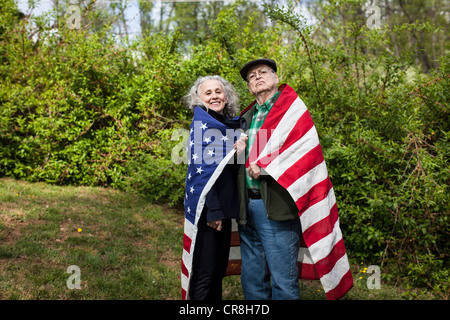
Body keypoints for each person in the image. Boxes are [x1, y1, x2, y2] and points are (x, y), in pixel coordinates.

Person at [237, 58, 353, 300]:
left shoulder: (293, 111)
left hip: (277, 206)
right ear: (249, 87)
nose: (257, 77)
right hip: (247, 206)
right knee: (252, 275)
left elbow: (303, 155)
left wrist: (266, 168)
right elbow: (236, 160)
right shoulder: (245, 117)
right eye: (252, 76)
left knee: (282, 278)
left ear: (276, 78)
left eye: (263, 72)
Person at [181, 75, 247, 300]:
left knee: (218, 270)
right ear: (199, 100)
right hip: (210, 211)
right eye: (207, 93)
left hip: (224, 211)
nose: (214, 96)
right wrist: (213, 212)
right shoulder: (203, 125)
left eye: (218, 91)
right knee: (205, 273)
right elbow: (203, 175)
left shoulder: (227, 126)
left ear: (226, 96)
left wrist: (238, 152)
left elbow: (225, 169)